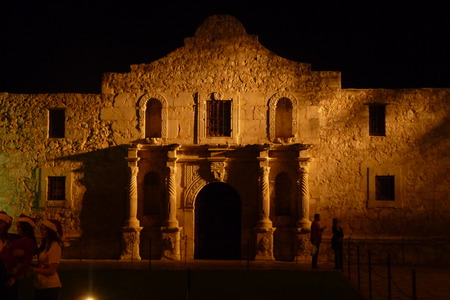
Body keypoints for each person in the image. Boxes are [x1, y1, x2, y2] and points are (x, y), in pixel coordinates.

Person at [0, 213, 38, 300]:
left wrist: (24, 253)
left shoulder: (13, 239)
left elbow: (30, 251)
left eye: (1, 223)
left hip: (7, 275)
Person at [32, 219, 63, 300]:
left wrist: (33, 269)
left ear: (50, 231)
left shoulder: (54, 246)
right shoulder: (45, 245)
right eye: (41, 228)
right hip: (40, 285)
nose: (41, 231)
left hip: (50, 286)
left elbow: (51, 270)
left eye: (43, 229)